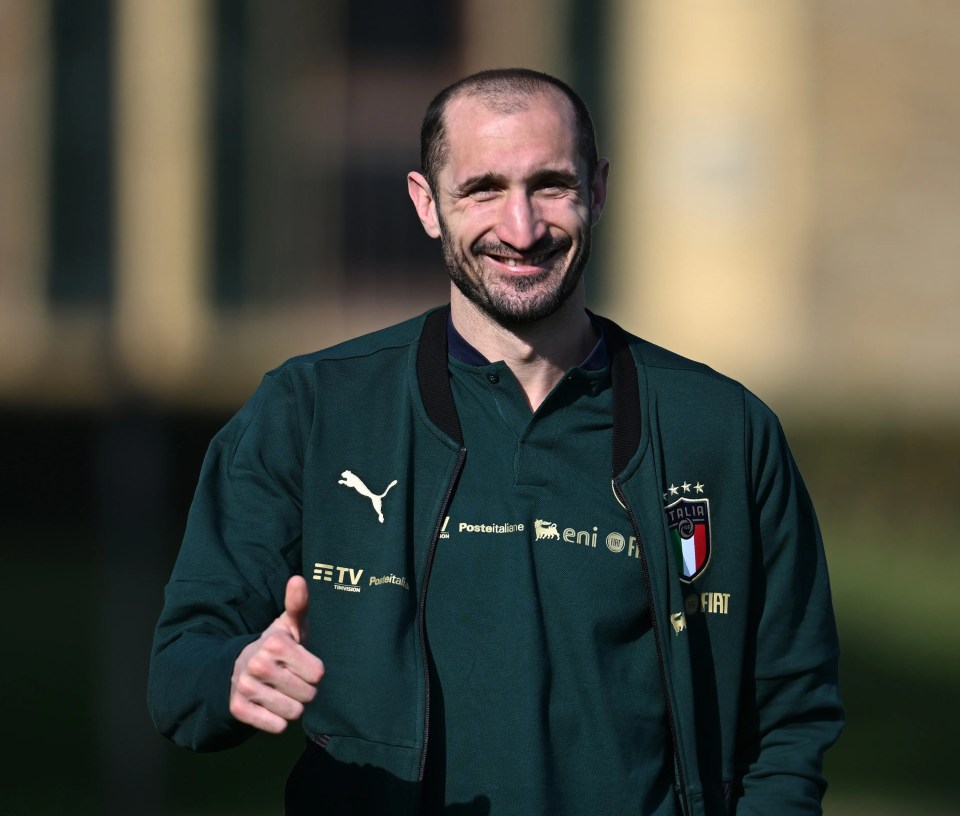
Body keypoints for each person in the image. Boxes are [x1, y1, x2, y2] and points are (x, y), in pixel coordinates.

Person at [148, 68, 843, 815]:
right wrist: (237, 672)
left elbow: (792, 715)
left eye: (550, 185)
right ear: (426, 204)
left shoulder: (724, 429)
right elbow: (181, 673)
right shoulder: (313, 410)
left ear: (598, 191)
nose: (521, 228)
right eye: (482, 189)